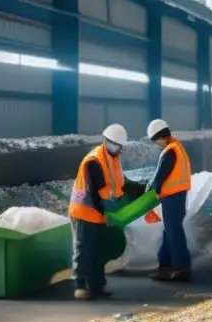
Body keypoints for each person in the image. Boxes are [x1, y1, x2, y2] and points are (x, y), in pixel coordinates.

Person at [68, 124, 144, 300]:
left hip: (101, 212)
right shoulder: (93, 161)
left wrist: (140, 189)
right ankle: (80, 285)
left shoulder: (114, 159)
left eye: (117, 144)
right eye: (111, 143)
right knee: (84, 248)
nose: (114, 146)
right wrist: (106, 213)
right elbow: (95, 192)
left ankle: (96, 286)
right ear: (105, 140)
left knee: (99, 250)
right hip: (85, 211)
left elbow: (120, 184)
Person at [146, 119, 193, 282]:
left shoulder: (170, 151)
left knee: (173, 233)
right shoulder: (178, 147)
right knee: (169, 232)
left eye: (155, 140)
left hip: (172, 197)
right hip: (178, 196)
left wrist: (149, 193)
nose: (156, 144)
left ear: (160, 136)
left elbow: (160, 177)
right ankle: (164, 266)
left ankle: (181, 267)